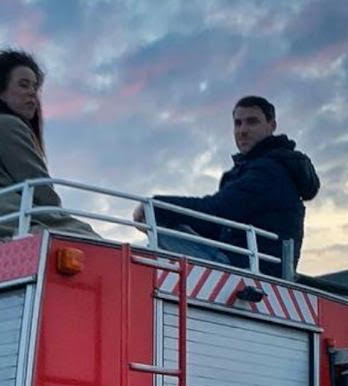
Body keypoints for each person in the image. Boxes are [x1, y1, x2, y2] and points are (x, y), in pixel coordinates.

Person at [136, 96, 320, 274]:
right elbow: (217, 227)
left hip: (250, 271)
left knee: (158, 237)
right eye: (238, 123)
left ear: (272, 126)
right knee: (165, 230)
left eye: (252, 122)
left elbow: (216, 210)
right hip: (242, 262)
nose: (243, 130)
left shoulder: (269, 171)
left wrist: (154, 206)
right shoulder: (250, 170)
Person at [0, 49, 96, 253]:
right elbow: (39, 187)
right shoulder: (7, 124)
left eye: (35, 87)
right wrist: (59, 217)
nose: (32, 93)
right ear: (1, 93)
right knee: (89, 237)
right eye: (23, 84)